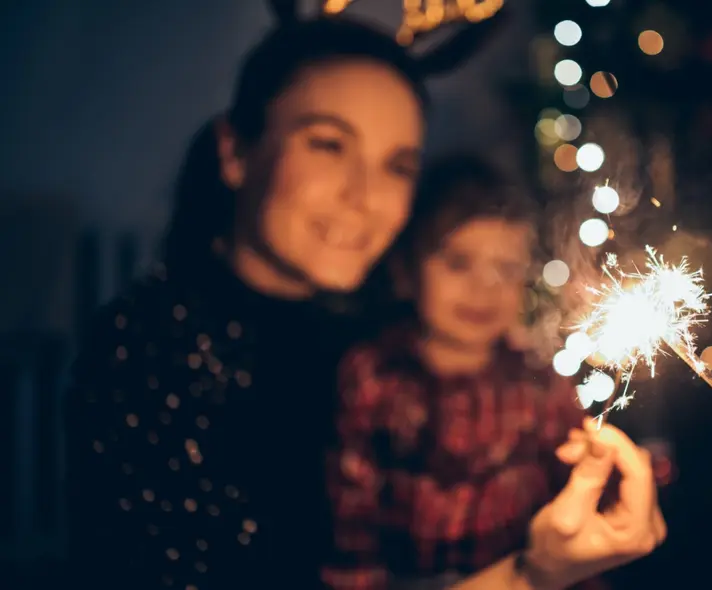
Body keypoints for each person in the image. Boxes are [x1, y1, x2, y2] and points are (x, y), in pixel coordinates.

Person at [64, 10, 663, 590]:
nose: (365, 196)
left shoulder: (380, 328)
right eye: (328, 145)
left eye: (396, 166)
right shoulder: (150, 354)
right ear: (235, 152)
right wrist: (532, 576)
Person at [322, 156, 667, 589]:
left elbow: (572, 506)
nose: (484, 289)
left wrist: (600, 473)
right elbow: (350, 529)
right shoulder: (373, 376)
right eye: (458, 262)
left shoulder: (539, 381)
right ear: (406, 269)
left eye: (505, 269)